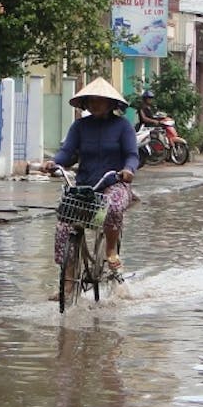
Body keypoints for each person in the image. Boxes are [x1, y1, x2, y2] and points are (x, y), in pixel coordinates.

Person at [41, 77, 139, 275]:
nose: (95, 104)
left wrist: (128, 170)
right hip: (85, 186)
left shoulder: (123, 126)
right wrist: (55, 163)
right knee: (63, 224)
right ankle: (67, 280)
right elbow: (66, 152)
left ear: (111, 104)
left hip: (114, 183)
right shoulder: (79, 126)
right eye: (91, 101)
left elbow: (132, 155)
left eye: (99, 100)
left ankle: (110, 250)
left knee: (112, 206)